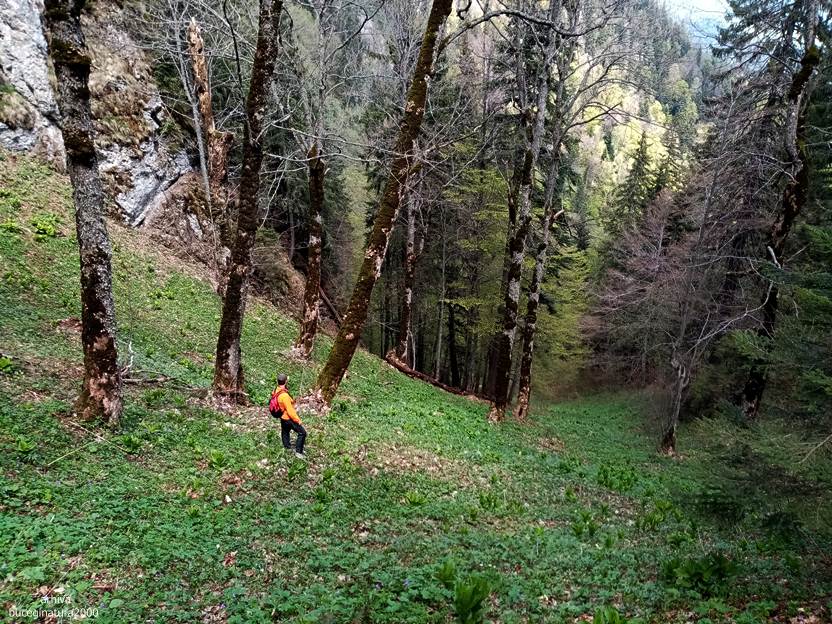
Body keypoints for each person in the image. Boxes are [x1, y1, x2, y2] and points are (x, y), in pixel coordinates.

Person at [271, 373, 306, 459]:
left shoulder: (276, 390)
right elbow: (290, 411)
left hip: (282, 417)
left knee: (285, 431)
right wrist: (298, 420)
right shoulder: (285, 396)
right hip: (288, 418)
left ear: (277, 381)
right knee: (302, 433)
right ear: (286, 381)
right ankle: (298, 452)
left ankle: (287, 447)